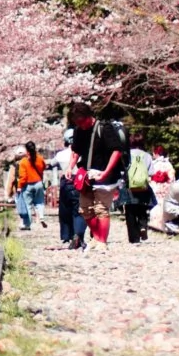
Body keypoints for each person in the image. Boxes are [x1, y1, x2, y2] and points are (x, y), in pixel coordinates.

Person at [67, 102, 125, 250]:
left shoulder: (104, 128)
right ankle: (97, 237)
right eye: (77, 123)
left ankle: (102, 241)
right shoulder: (79, 131)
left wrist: (106, 172)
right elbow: (76, 151)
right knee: (85, 209)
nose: (80, 125)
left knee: (101, 208)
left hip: (105, 175)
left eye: (82, 121)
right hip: (86, 175)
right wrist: (70, 167)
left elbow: (117, 151)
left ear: (89, 116)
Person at [52, 129, 85, 249]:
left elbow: (51, 163)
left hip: (66, 182)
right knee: (78, 210)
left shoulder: (60, 155)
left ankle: (66, 235)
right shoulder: (82, 153)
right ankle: (78, 234)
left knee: (65, 210)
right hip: (80, 180)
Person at [122, 132, 155, 243]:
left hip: (129, 187)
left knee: (130, 211)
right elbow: (151, 173)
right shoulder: (147, 156)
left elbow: (122, 170)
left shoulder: (126, 155)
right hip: (143, 187)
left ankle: (134, 238)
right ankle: (143, 226)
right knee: (142, 208)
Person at [16, 142, 47, 231]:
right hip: (38, 183)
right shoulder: (40, 158)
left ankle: (27, 224)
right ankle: (41, 217)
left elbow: (23, 176)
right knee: (39, 202)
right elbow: (43, 167)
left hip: (27, 185)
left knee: (28, 205)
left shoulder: (23, 162)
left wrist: (19, 186)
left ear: (26, 150)